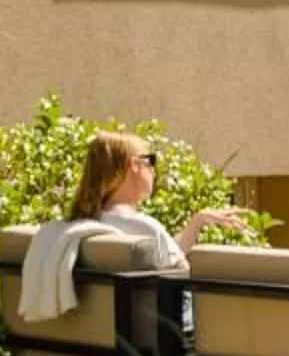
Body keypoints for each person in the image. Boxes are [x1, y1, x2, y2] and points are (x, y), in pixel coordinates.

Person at [18, 131, 244, 321]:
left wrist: (196, 222)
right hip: (165, 341)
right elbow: (181, 274)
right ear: (134, 165)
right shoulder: (144, 227)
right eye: (151, 161)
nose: (154, 170)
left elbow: (159, 256)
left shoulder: (80, 226)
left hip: (102, 342)